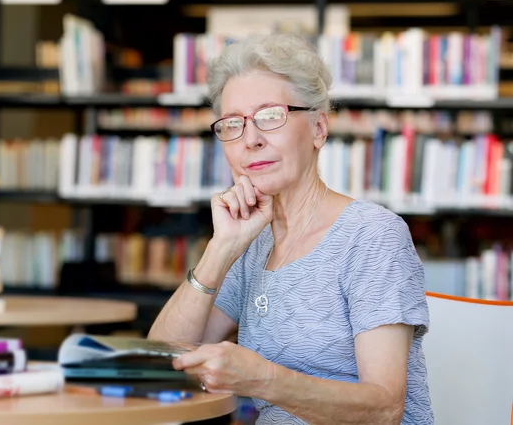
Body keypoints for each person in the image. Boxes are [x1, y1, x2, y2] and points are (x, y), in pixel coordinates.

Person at [148, 33, 433, 425]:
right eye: (233, 124)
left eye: (270, 116)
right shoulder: (251, 242)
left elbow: (383, 409)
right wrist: (220, 249)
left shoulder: (372, 236)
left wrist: (264, 379)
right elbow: (160, 361)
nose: (250, 139)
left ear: (318, 129)